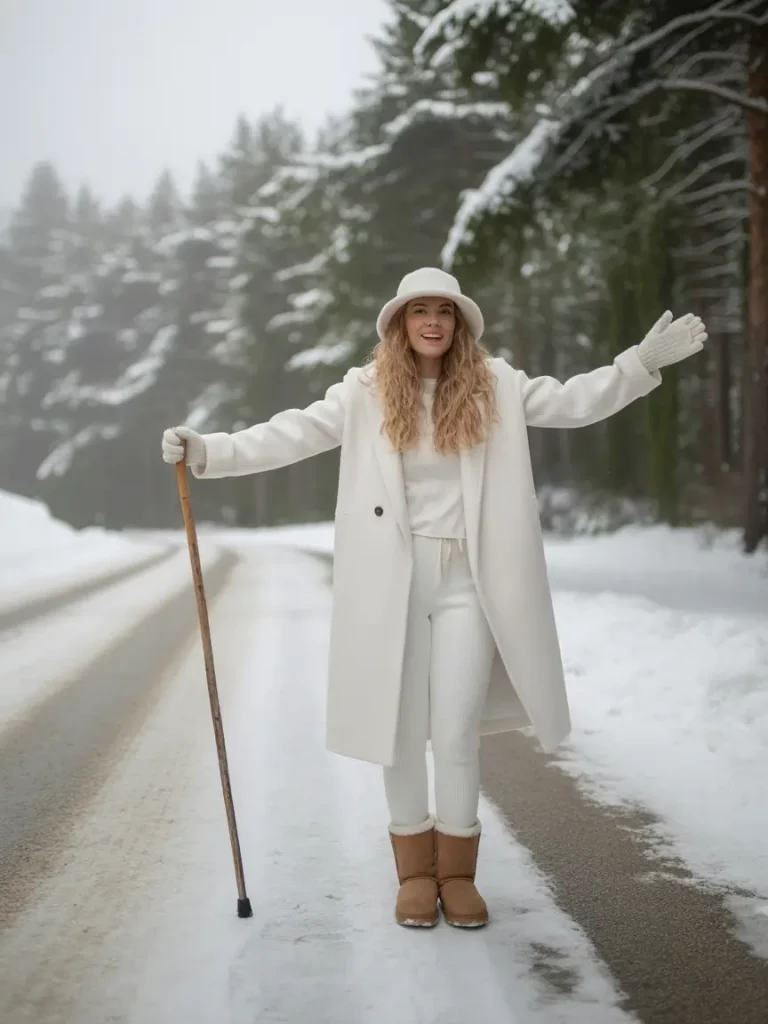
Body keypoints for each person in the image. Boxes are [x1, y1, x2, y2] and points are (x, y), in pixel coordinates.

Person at [162, 267, 706, 930]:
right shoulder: (363, 393)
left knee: (453, 730)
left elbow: (572, 401)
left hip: (469, 581)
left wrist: (637, 365)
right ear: (398, 322)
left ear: (460, 323)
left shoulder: (496, 384)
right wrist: (208, 450)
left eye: (444, 311)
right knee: (397, 730)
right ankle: (415, 874)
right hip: (392, 578)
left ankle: (458, 874)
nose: (432, 322)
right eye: (419, 310)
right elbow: (290, 432)